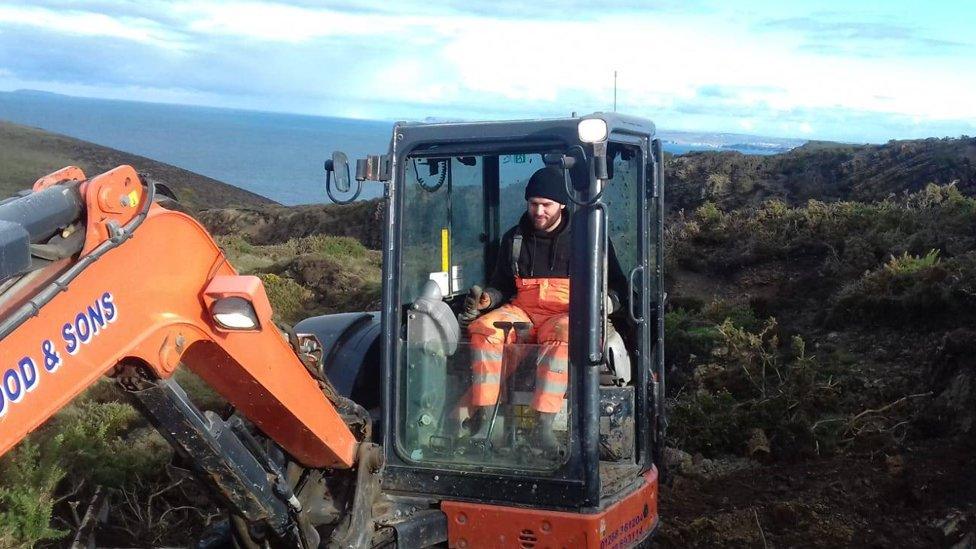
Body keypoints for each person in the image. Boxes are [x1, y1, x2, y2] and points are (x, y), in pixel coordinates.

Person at [459, 165, 628, 450]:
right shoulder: (514, 240)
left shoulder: (589, 240)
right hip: (523, 310)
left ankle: (543, 427)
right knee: (484, 328)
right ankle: (483, 420)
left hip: (566, 312)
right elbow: (502, 285)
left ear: (562, 204)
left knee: (565, 333)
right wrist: (488, 298)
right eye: (533, 204)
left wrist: (603, 304)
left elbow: (619, 289)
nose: (538, 211)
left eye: (546, 205)